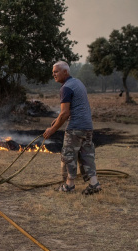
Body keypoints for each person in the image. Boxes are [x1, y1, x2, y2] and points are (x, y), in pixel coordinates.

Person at [43, 61, 101, 195]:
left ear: (65, 72)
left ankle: (69, 185)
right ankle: (94, 184)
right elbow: (73, 108)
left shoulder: (66, 88)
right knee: (87, 155)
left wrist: (52, 130)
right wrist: (57, 121)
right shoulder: (78, 83)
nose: (54, 75)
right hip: (87, 127)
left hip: (75, 127)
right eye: (53, 73)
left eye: (56, 72)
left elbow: (65, 113)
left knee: (68, 155)